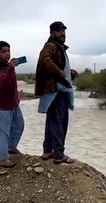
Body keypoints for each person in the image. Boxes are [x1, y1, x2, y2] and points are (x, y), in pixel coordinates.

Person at [35, 21, 78, 164]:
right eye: (60, 31)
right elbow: (44, 60)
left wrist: (69, 73)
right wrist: (61, 74)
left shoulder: (58, 47)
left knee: (52, 121)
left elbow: (55, 64)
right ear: (52, 32)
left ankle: (48, 151)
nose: (63, 33)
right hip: (56, 91)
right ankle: (59, 154)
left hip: (56, 90)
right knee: (60, 122)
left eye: (64, 30)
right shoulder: (51, 46)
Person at [0, 41, 25, 168]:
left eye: (8, 51)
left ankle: (11, 147)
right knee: (3, 132)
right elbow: (4, 84)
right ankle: (3, 158)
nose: (7, 54)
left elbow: (12, 85)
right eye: (3, 51)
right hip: (4, 105)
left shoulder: (6, 65)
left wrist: (17, 97)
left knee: (19, 125)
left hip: (13, 103)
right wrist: (10, 68)